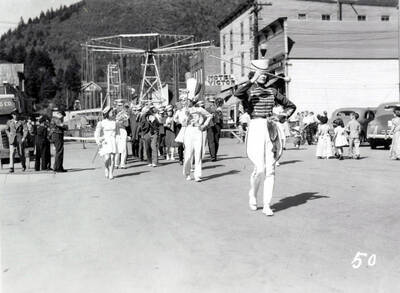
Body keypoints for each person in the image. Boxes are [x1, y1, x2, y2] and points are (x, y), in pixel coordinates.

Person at [234, 59, 296, 216]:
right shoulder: (248, 90)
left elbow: (291, 106)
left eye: (264, 74)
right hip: (255, 127)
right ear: (254, 73)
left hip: (271, 128)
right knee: (259, 169)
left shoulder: (272, 91)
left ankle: (267, 204)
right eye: (259, 73)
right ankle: (253, 194)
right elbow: (237, 94)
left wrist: (281, 117)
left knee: (271, 169)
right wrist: (252, 80)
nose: (262, 76)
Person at [181, 91, 212, 182]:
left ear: (192, 101)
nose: (186, 102)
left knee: (198, 153)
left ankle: (197, 175)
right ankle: (187, 173)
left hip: (198, 131)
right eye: (185, 100)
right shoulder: (184, 110)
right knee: (188, 153)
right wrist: (187, 117)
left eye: (188, 100)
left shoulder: (199, 109)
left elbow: (210, 116)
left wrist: (204, 125)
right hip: (189, 130)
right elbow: (183, 123)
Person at [95, 106, 117, 179]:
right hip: (106, 141)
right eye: (111, 112)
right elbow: (97, 133)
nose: (112, 113)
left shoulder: (115, 122)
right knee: (107, 158)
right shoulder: (102, 122)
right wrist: (98, 140)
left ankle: (111, 173)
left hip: (113, 140)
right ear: (107, 113)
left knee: (113, 158)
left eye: (113, 112)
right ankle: (106, 168)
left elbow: (117, 132)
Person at [115, 103, 129, 169]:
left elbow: (127, 124)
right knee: (116, 148)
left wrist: (122, 121)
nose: (119, 107)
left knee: (123, 148)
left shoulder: (125, 114)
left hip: (122, 130)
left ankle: (122, 164)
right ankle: (116, 164)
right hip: (116, 131)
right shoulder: (113, 113)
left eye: (121, 105)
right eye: (118, 105)